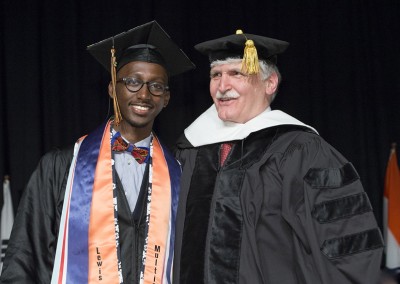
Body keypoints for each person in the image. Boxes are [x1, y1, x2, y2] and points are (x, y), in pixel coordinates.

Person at [173, 29, 384, 284]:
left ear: (270, 83)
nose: (222, 86)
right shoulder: (191, 151)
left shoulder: (301, 150)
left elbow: (348, 246)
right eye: (216, 75)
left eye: (236, 74)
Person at [0, 21, 194, 283]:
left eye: (156, 86)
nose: (144, 95)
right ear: (113, 88)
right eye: (133, 82)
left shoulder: (179, 174)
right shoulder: (61, 166)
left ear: (166, 98)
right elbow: (24, 256)